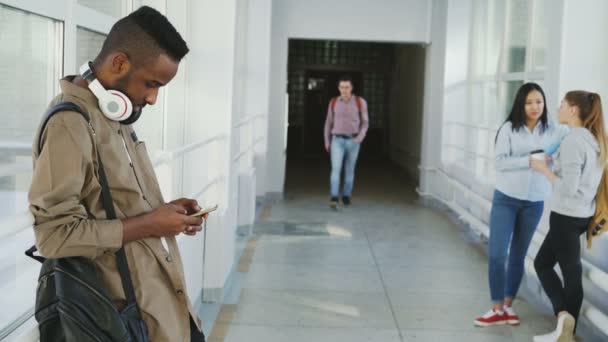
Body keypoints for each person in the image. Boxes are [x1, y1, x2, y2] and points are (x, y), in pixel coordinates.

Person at [28, 6, 207, 341]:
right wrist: (151, 224)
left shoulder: (115, 114)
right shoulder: (70, 124)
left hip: (163, 310)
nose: (152, 99)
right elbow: (53, 236)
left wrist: (165, 213)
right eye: (152, 84)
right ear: (120, 63)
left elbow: (114, 202)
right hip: (126, 319)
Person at [474, 83, 568, 327]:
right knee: (497, 254)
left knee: (518, 256)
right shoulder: (508, 129)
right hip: (506, 198)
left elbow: (576, 139)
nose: (535, 107)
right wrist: (529, 161)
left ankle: (507, 306)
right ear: (520, 104)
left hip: (534, 201)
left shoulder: (554, 131)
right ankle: (495, 308)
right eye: (529, 102)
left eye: (539, 101)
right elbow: (500, 163)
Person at [531, 91, 606, 342]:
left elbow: (568, 187)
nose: (558, 107)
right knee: (549, 264)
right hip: (582, 215)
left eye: (562, 103)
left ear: (574, 110)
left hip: (566, 215)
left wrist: (543, 168)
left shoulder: (574, 141)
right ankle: (564, 325)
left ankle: (565, 328)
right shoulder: (595, 139)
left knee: (566, 271)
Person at [323, 75, 369, 209]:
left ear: (351, 88)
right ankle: (334, 197)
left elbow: (365, 123)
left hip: (353, 140)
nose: (344, 90)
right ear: (338, 88)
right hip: (337, 140)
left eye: (347, 87)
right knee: (335, 169)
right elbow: (328, 123)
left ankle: (347, 196)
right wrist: (327, 141)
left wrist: (359, 138)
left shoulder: (360, 102)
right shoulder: (333, 102)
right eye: (342, 87)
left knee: (349, 170)